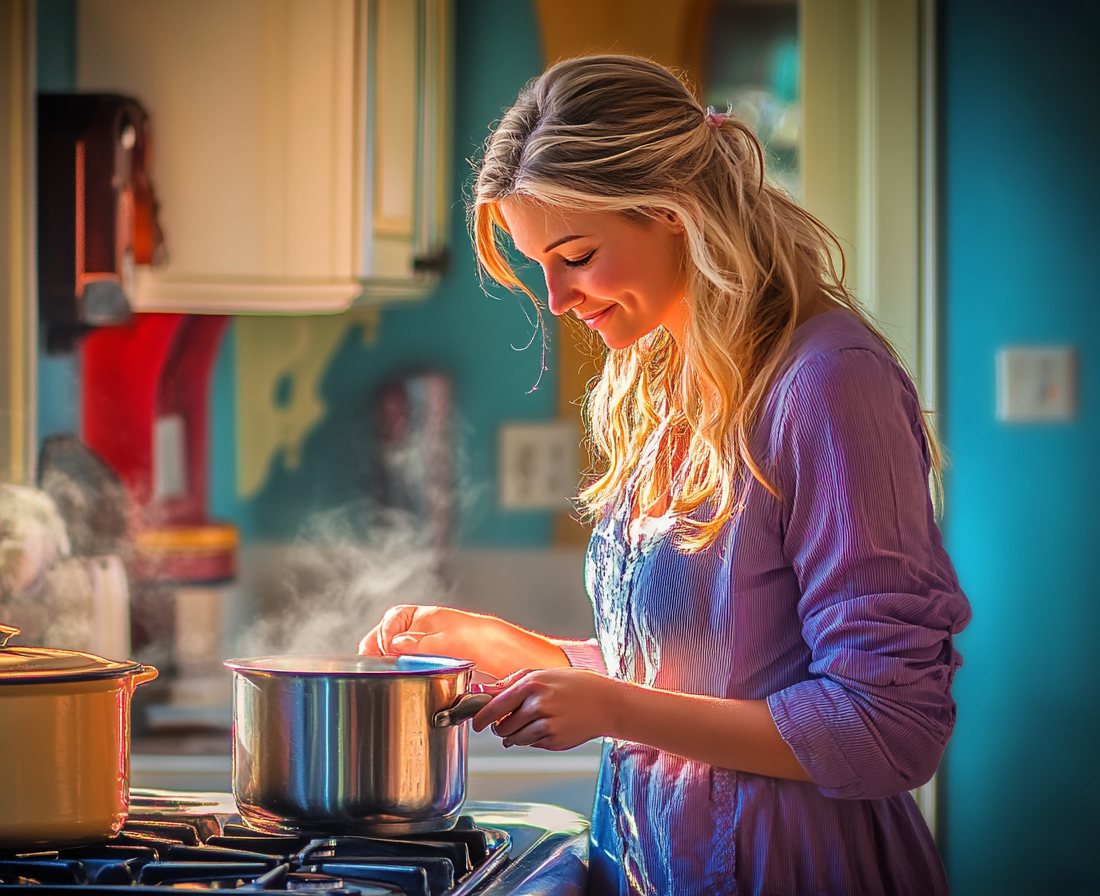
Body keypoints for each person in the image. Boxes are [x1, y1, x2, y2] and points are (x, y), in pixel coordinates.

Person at [359, 55, 971, 895]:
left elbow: (889, 727)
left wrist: (610, 710)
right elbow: (722, 665)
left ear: (673, 214)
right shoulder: (668, 374)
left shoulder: (829, 383)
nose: (557, 299)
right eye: (539, 264)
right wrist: (526, 654)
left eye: (575, 254)